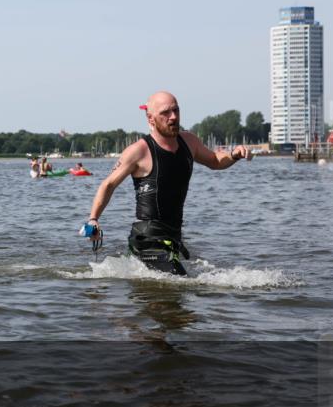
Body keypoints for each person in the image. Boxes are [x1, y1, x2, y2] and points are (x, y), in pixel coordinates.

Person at [84, 91, 252, 275]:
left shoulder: (189, 141)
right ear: (151, 118)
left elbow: (214, 160)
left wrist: (234, 154)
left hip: (173, 237)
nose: (173, 117)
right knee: (183, 285)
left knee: (177, 297)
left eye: (176, 110)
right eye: (165, 113)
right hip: (148, 238)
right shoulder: (139, 151)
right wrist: (93, 219)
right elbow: (108, 185)